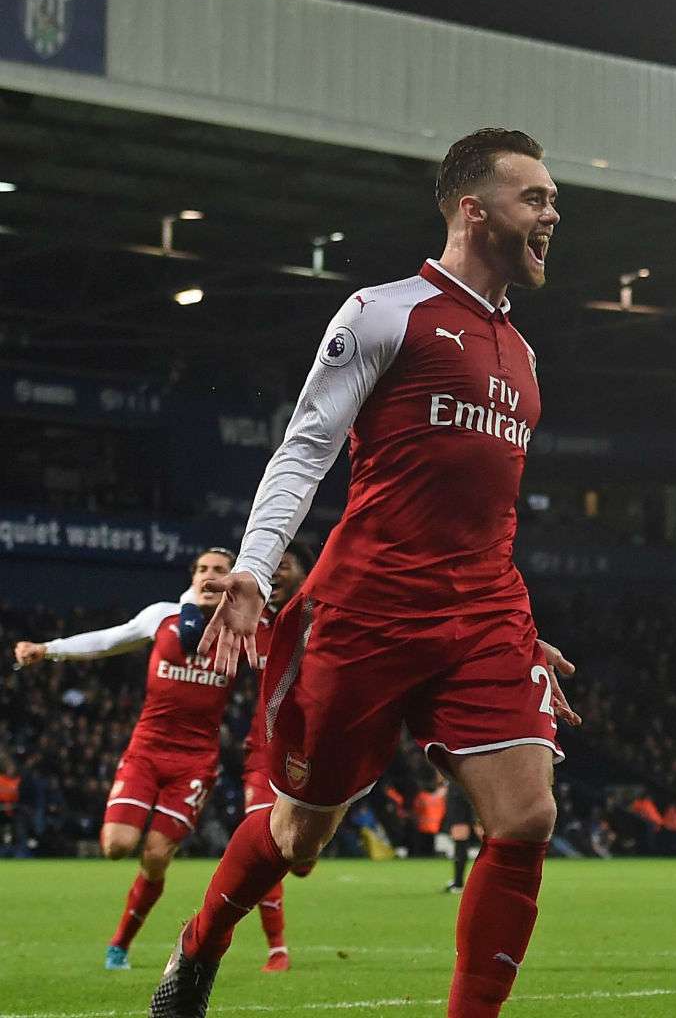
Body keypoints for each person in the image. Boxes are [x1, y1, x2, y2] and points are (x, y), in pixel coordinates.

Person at [150, 128, 581, 1018]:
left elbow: (486, 510)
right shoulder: (385, 313)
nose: (552, 214)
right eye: (534, 198)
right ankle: (199, 944)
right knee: (301, 837)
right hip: (368, 610)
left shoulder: (526, 359)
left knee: (526, 819)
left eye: (552, 200)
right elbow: (305, 447)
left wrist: (520, 628)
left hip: (485, 612)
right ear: (474, 209)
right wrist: (257, 572)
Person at [13, 548, 247, 970]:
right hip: (147, 750)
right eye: (203, 569)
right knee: (116, 846)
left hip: (195, 761)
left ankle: (120, 943)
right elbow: (108, 640)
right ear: (192, 576)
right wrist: (48, 649)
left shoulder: (243, 628)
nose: (209, 576)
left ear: (233, 580)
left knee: (156, 856)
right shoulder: (163, 616)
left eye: (220, 570)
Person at [238, 540, 317, 973]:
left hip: (314, 753)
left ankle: (308, 850)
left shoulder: (323, 620)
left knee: (299, 857)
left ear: (306, 571)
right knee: (266, 845)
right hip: (263, 751)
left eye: (283, 566)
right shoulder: (258, 621)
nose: (275, 574)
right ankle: (277, 949)